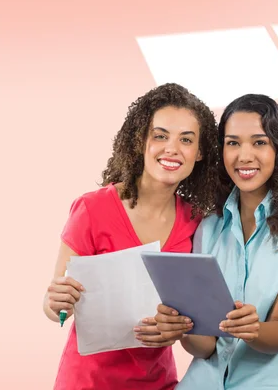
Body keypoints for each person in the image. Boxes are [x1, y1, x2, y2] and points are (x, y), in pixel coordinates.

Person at [144, 94, 278, 389]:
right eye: (233, 143)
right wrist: (182, 328)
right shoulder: (209, 226)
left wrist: (253, 329)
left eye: (259, 142)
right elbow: (205, 346)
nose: (244, 156)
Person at [42, 83, 220, 390]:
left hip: (158, 384)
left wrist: (179, 329)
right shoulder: (92, 208)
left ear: (200, 152)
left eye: (186, 139)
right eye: (160, 135)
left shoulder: (197, 223)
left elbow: (202, 338)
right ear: (140, 140)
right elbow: (54, 306)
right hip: (86, 383)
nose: (172, 148)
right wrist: (56, 301)